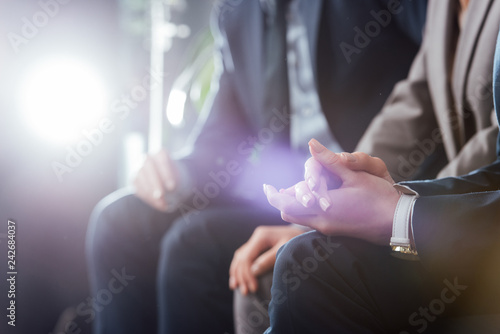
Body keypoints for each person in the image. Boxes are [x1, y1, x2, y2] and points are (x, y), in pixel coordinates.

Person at [85, 0, 427, 333]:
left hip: (365, 186)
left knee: (194, 245)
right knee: (120, 220)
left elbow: (437, 72)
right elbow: (223, 136)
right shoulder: (238, 9)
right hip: (282, 194)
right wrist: (176, 173)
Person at [234, 0, 500, 332]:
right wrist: (347, 181)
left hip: (482, 232)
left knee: (305, 264)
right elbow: (415, 101)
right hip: (464, 204)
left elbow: (495, 141)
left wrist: (400, 212)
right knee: (286, 263)